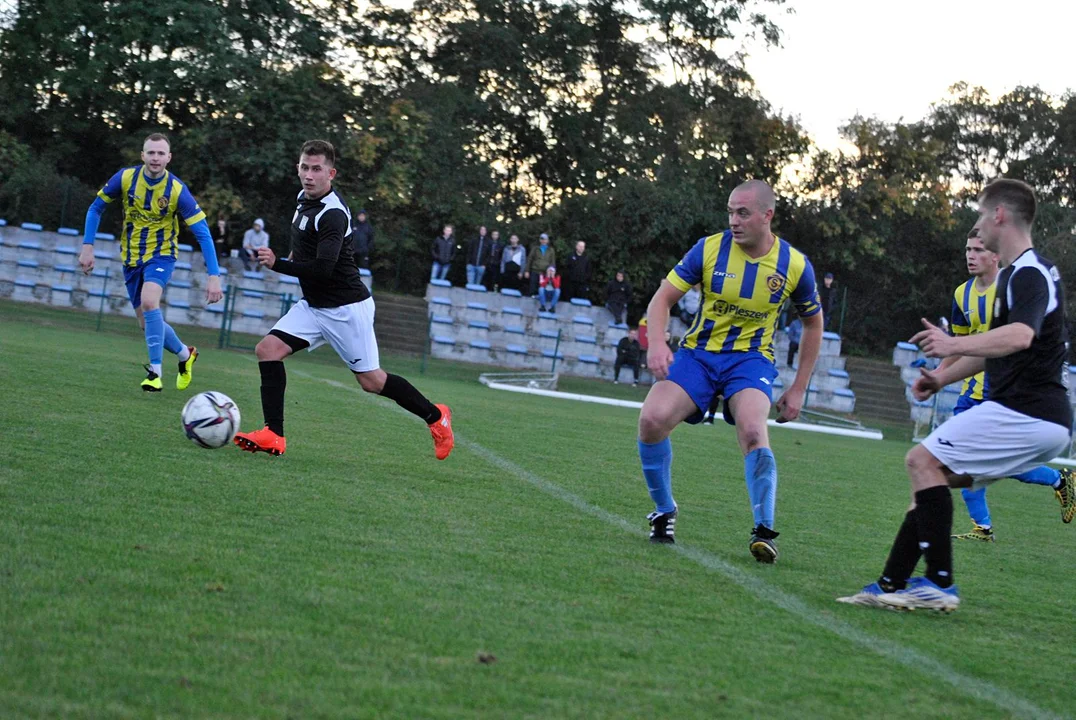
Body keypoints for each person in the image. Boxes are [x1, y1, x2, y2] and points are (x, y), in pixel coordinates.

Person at [838, 179, 1075, 613]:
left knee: (920, 460)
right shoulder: (1017, 273)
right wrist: (942, 379)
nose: (978, 224)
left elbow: (1020, 337)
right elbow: (996, 348)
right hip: (1038, 418)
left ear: (1000, 215)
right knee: (930, 482)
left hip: (1026, 411)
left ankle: (940, 584)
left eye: (982, 213)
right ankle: (890, 585)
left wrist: (951, 345)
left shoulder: (1028, 273)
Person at [636, 179, 824, 562]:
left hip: (750, 361)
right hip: (699, 355)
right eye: (730, 211)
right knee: (651, 419)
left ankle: (764, 531)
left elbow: (813, 324)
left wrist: (799, 387)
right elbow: (662, 299)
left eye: (743, 213)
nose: (733, 221)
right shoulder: (709, 249)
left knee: (755, 430)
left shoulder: (794, 265)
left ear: (767, 215)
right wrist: (657, 342)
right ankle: (664, 509)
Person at [232, 140, 454, 460]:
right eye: (304, 168)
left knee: (372, 382)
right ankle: (273, 434)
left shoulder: (333, 213)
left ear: (331, 173)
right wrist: (294, 256)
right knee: (267, 350)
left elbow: (323, 269)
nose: (309, 175)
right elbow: (307, 246)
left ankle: (436, 416)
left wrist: (278, 262)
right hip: (314, 305)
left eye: (316, 169)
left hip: (346, 308)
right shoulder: (303, 199)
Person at [940, 228, 1073, 542]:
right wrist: (937, 375)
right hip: (971, 391)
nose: (971, 256)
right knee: (963, 460)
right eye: (968, 249)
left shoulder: (1017, 285)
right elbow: (960, 343)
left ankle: (1058, 480)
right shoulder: (962, 294)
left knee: (989, 462)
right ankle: (983, 527)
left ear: (996, 255)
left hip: (1006, 393)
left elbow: (1028, 338)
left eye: (978, 250)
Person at [78, 132, 223, 391]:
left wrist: (214, 275)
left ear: (169, 158)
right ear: (142, 155)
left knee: (149, 301)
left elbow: (203, 233)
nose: (155, 158)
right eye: (151, 152)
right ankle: (184, 355)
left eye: (160, 153)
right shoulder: (124, 178)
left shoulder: (177, 190)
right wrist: (88, 246)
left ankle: (155, 373)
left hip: (162, 255)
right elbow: (95, 208)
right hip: (131, 258)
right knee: (147, 323)